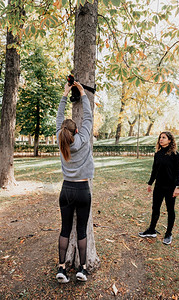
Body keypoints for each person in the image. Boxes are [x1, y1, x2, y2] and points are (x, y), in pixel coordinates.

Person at [55, 81, 94, 283]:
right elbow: (89, 116)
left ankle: (61, 269)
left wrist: (65, 94)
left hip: (66, 189)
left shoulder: (59, 139)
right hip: (82, 189)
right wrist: (82, 92)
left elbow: (59, 119)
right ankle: (82, 269)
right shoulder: (84, 137)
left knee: (65, 229)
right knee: (81, 230)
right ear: (77, 130)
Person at [139, 131, 179, 245]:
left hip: (170, 187)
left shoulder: (175, 154)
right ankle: (151, 230)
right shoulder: (157, 154)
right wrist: (150, 183)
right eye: (160, 137)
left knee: (170, 210)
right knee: (155, 208)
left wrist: (178, 187)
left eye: (164, 137)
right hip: (159, 186)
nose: (161, 139)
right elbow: (154, 170)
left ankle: (168, 234)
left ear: (170, 140)